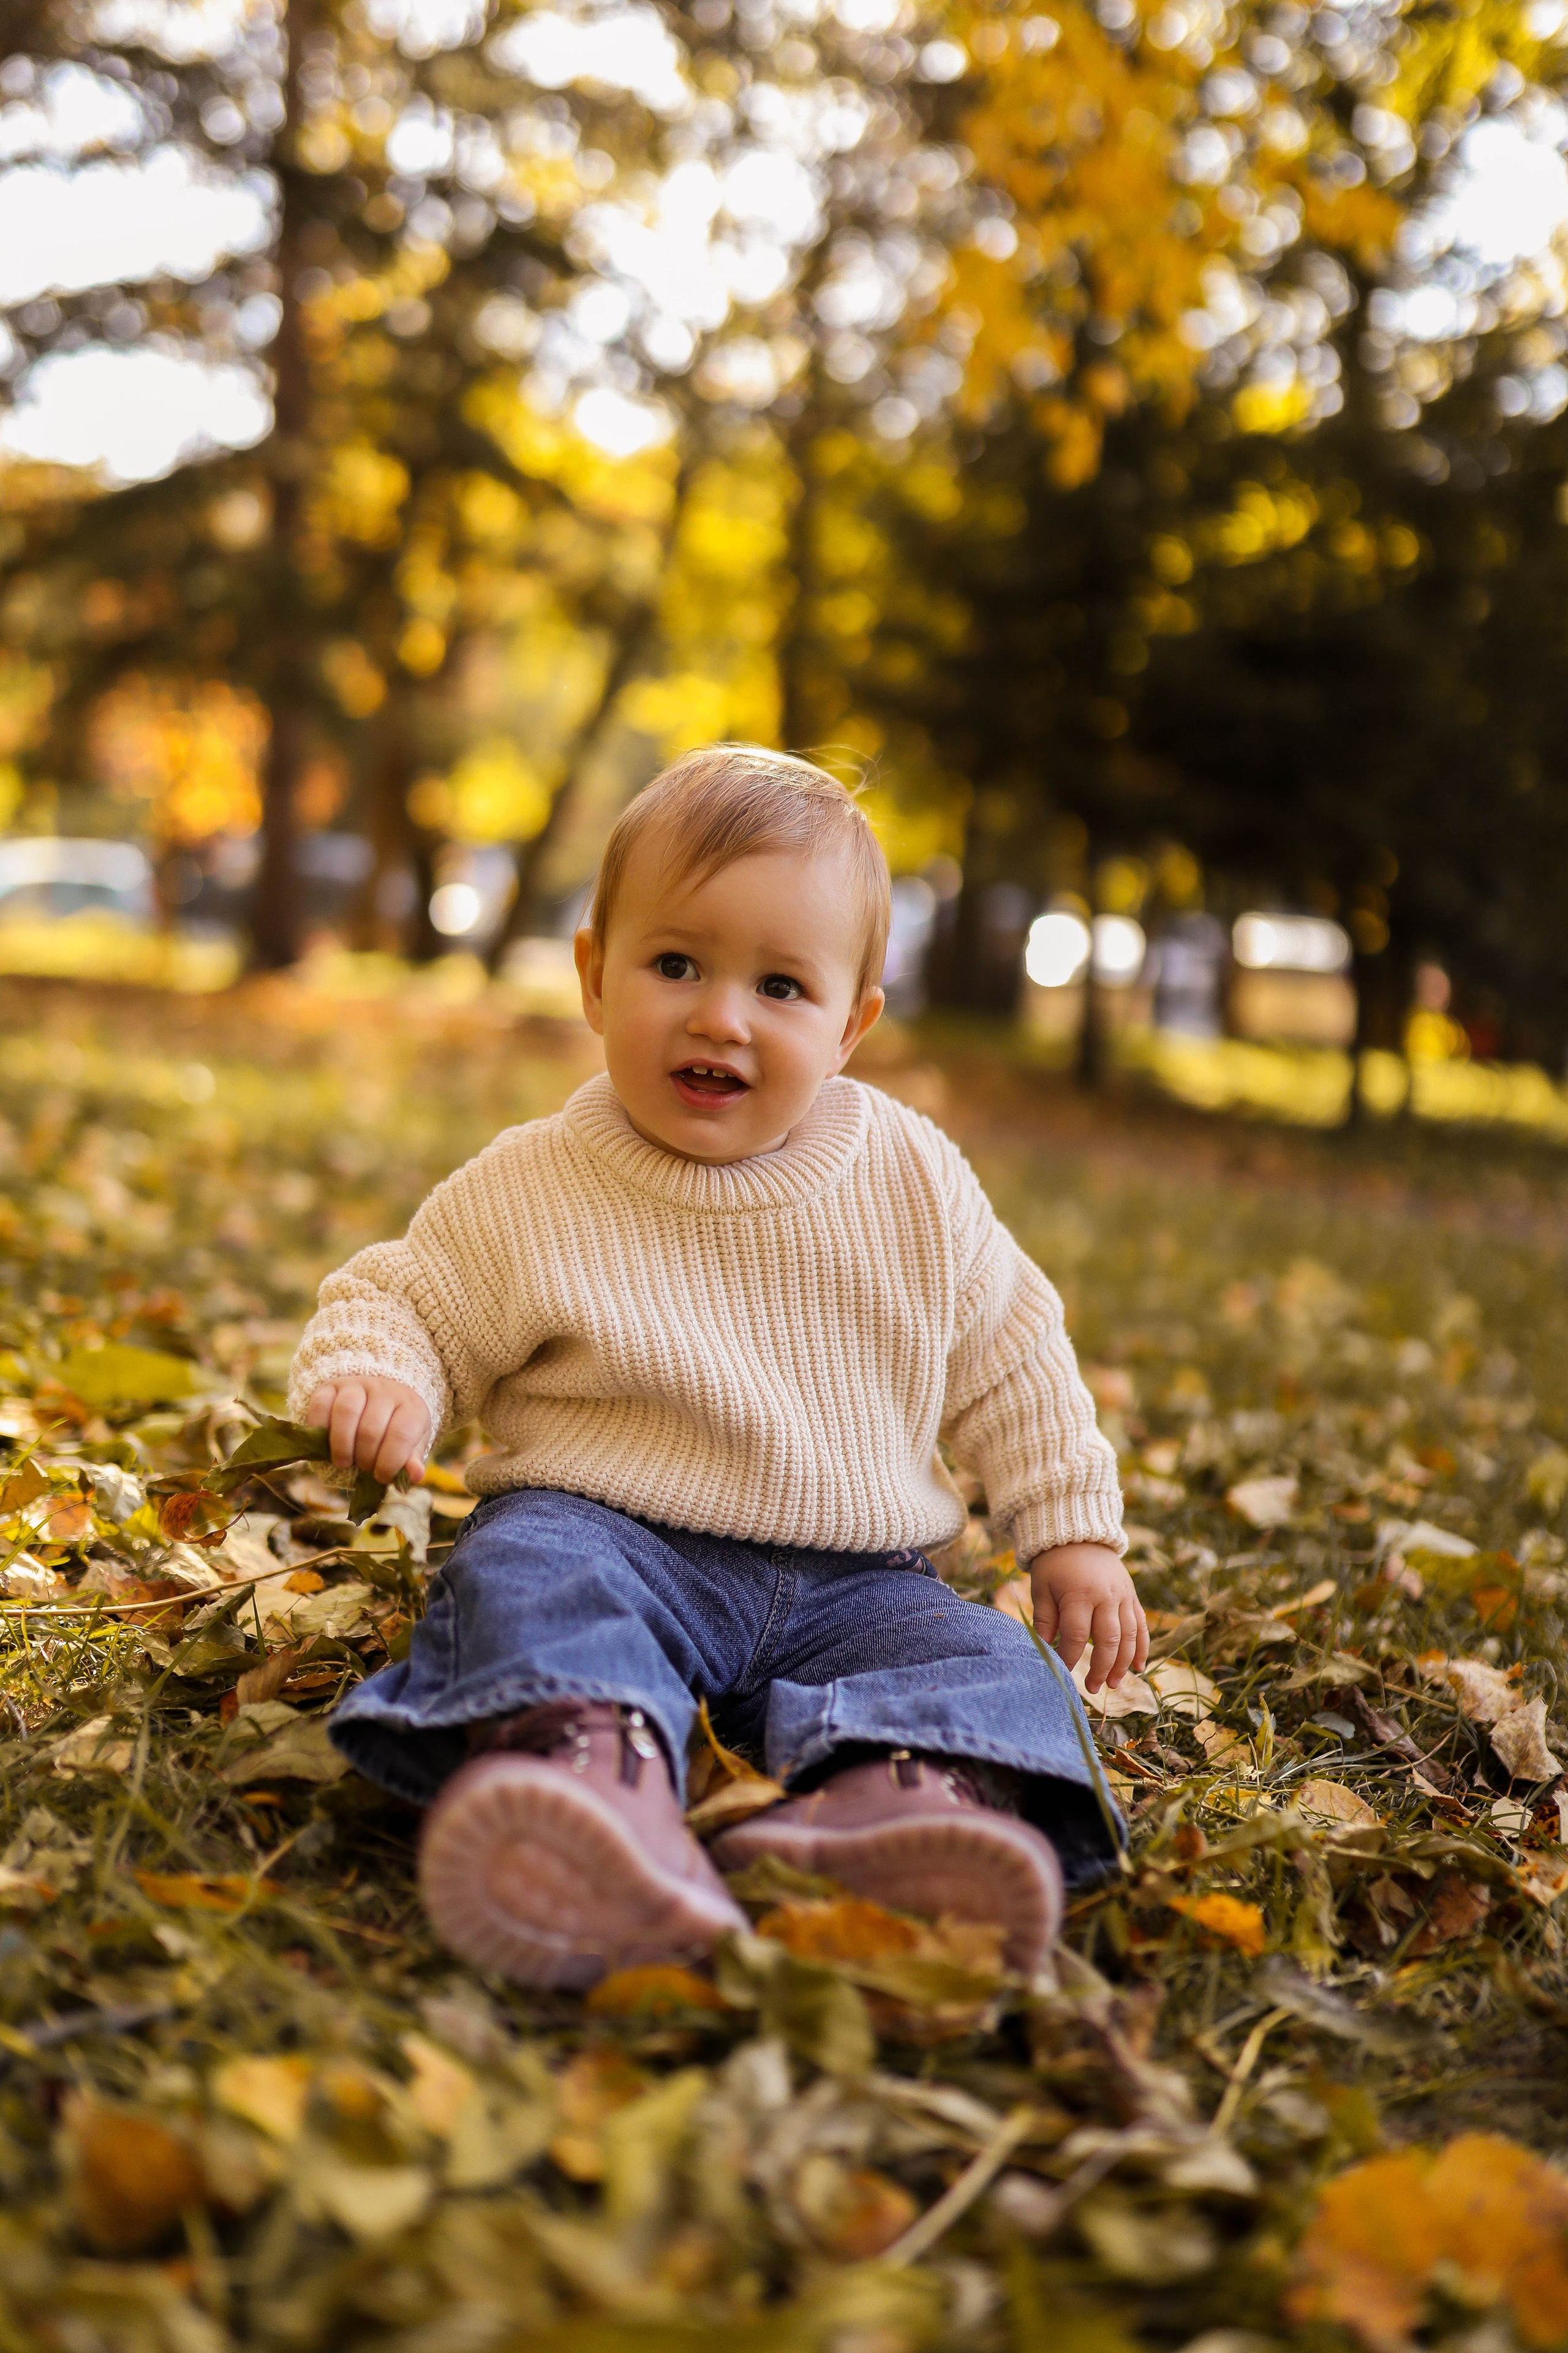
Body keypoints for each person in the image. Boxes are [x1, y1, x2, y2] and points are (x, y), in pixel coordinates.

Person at [288, 745, 1145, 1990]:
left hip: (862, 1581)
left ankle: (893, 1809)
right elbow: (406, 1295)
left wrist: (1072, 1532)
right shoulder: (537, 1181)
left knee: (993, 1666)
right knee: (525, 1571)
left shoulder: (910, 1180)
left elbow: (1011, 1353)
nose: (719, 1015)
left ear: (851, 1026)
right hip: (614, 1535)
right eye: (675, 963)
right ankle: (592, 1774)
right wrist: (382, 1375)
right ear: (594, 974)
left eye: (781, 986)